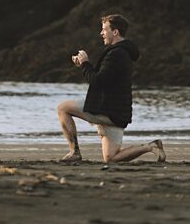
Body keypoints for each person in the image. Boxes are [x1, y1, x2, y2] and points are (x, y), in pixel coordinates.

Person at [57, 13, 166, 164]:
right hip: (117, 112)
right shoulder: (122, 53)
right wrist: (83, 65)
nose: (101, 33)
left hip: (107, 109)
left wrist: (85, 63)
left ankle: (74, 152)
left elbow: (97, 81)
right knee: (111, 158)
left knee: (63, 108)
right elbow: (104, 78)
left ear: (115, 32)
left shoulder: (117, 54)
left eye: (104, 29)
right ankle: (150, 147)